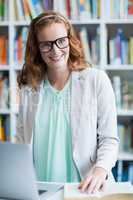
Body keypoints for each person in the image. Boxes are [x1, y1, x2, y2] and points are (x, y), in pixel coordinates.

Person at [15, 11, 119, 194]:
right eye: (46, 45)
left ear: (69, 40)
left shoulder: (96, 80)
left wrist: (100, 170)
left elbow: (109, 139)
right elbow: (22, 142)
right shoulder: (28, 89)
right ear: (37, 48)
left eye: (61, 41)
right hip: (40, 190)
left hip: (85, 189)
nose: (55, 51)